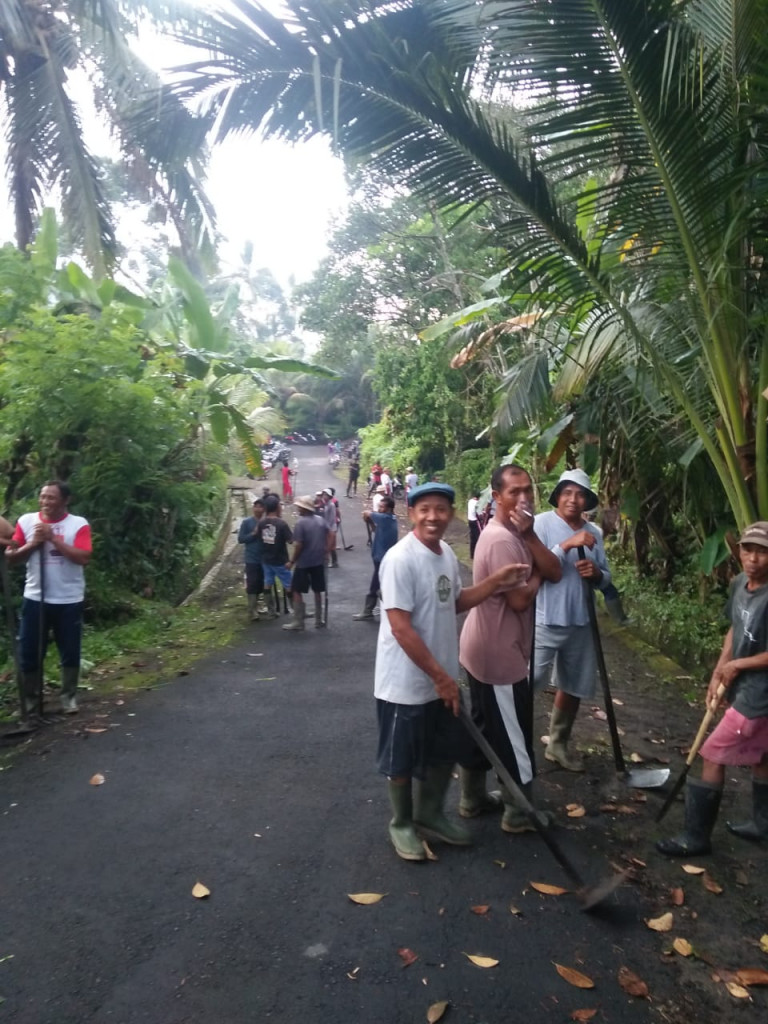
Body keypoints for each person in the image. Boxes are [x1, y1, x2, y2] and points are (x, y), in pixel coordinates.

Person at [374, 482, 528, 862]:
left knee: (445, 750)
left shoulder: (443, 554)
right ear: (411, 514)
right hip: (404, 684)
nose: (433, 516)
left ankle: (430, 813)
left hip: (441, 679)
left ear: (451, 513)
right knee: (401, 760)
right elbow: (400, 627)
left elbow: (456, 601)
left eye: (441, 509)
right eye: (424, 509)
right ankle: (402, 824)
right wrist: (441, 677)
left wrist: (494, 583)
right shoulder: (399, 559)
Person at [459, 465, 562, 831]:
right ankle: (520, 813)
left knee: (486, 727)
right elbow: (520, 600)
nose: (523, 498)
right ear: (497, 497)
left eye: (528, 490)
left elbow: (556, 570)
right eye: (514, 492)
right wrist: (536, 573)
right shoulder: (502, 539)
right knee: (514, 734)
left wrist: (532, 539)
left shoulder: (519, 533)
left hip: (484, 647)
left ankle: (472, 798)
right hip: (498, 653)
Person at [657, 522, 768, 856]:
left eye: (763, 552)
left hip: (759, 695)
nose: (754, 558)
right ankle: (763, 825)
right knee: (762, 755)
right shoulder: (739, 584)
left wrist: (737, 666)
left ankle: (695, 837)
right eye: (748, 550)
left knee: (711, 754)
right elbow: (735, 628)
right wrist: (721, 668)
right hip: (743, 685)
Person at [532, 468, 613, 772]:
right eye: (567, 492)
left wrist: (598, 575)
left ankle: (558, 743)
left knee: (574, 684)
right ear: (558, 495)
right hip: (545, 618)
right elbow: (534, 569)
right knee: (527, 683)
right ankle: (516, 743)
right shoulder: (540, 524)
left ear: (587, 500)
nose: (573, 499)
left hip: (582, 620)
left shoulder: (596, 533)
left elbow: (606, 578)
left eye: (580, 494)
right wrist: (565, 545)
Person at [5, 481, 92, 715]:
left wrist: (54, 539)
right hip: (34, 597)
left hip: (68, 598)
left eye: (51, 498)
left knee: (70, 649)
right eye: (42, 497)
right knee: (30, 650)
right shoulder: (26, 521)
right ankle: (31, 701)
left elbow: (83, 557)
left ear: (65, 500)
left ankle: (68, 697)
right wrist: (33, 544)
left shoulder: (78, 524)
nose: (45, 502)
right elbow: (11, 557)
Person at [283, 495, 330, 631]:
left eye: (299, 507)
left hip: (304, 562)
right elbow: (330, 533)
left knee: (296, 589)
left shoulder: (300, 523)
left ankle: (298, 621)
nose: (298, 508)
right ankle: (318, 619)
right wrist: (326, 550)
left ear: (304, 509)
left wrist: (292, 561)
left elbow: (299, 545)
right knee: (317, 590)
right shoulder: (321, 520)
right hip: (318, 560)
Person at [353, 496, 398, 621]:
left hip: (383, 558)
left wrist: (368, 515)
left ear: (389, 509)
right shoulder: (389, 519)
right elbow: (375, 529)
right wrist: (370, 522)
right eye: (379, 506)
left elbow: (367, 512)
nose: (379, 509)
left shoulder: (386, 518)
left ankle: (370, 610)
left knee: (376, 585)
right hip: (380, 556)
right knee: (381, 584)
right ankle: (384, 608)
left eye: (382, 507)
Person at [257, 494, 293, 617]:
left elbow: (259, 537)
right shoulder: (281, 524)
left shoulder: (261, 523)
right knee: (289, 584)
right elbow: (291, 540)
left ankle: (271, 610)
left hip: (266, 559)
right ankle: (295, 609)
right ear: (277, 507)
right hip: (280, 560)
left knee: (267, 583)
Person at [237, 497, 267, 621]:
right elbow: (241, 539)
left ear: (264, 509)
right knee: (252, 583)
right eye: (256, 506)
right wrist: (253, 534)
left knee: (262, 583)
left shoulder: (266, 522)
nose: (258, 509)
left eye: (260, 506)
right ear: (253, 508)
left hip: (265, 558)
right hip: (251, 558)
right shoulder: (247, 522)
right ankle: (252, 610)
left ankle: (259, 605)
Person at [321, 487, 340, 567]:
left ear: (329, 496)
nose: (324, 496)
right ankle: (330, 561)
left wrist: (327, 528)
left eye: (326, 495)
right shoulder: (325, 504)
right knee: (328, 545)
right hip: (328, 527)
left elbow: (332, 518)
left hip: (331, 528)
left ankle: (334, 562)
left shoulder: (331, 505)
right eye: (324, 495)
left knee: (331, 545)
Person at [467, 491, 480, 559]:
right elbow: (478, 512)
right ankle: (478, 554)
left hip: (470, 520)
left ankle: (472, 555)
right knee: (478, 538)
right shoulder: (476, 503)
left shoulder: (470, 501)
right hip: (475, 521)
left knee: (472, 538)